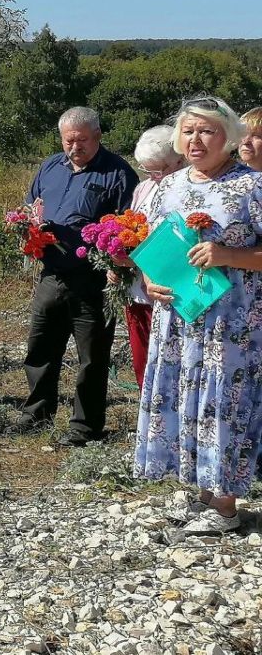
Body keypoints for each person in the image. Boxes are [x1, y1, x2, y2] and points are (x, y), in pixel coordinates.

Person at [136, 96, 262, 534]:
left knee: (222, 398)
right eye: (188, 130)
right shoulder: (170, 186)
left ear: (229, 137)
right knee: (186, 395)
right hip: (178, 318)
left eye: (206, 130)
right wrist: (149, 279)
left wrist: (228, 253)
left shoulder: (251, 186)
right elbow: (152, 244)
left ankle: (226, 505)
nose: (196, 139)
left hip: (231, 323)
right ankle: (204, 492)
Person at [14, 106, 137, 446]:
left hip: (94, 280)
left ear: (97, 136)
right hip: (51, 273)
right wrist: (29, 224)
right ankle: (35, 414)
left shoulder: (118, 173)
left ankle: (85, 427)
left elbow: (130, 227)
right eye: (69, 140)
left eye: (82, 140)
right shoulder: (51, 165)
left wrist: (116, 266)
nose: (74, 147)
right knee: (41, 347)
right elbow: (31, 205)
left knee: (92, 358)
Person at [122, 126, 183, 389]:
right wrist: (117, 259)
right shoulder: (143, 188)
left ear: (180, 159)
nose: (154, 177)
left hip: (174, 291)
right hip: (138, 288)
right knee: (144, 360)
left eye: (160, 169)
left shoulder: (187, 188)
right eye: (148, 170)